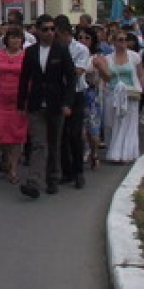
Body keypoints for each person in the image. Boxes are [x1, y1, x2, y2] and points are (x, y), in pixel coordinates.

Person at [17, 14, 76, 199]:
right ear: (37, 30)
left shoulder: (61, 50)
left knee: (54, 143)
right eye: (45, 29)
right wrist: (21, 102)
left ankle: (52, 178)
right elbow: (25, 78)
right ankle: (34, 182)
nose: (49, 33)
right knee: (38, 144)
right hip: (36, 103)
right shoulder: (31, 52)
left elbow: (71, 78)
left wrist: (67, 102)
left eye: (52, 29)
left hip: (56, 103)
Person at [0, 27, 28, 184]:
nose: (15, 40)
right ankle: (8, 157)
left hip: (19, 100)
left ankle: (13, 169)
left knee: (17, 135)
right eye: (12, 37)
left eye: (18, 38)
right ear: (7, 39)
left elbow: (29, 79)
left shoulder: (26, 56)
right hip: (0, 98)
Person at [102, 29, 144, 163]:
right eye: (120, 40)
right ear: (114, 42)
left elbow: (141, 75)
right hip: (114, 94)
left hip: (131, 94)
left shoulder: (134, 56)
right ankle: (115, 152)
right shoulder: (108, 59)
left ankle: (127, 152)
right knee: (115, 123)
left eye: (125, 40)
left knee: (129, 124)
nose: (123, 43)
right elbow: (105, 78)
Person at [56, 16, 89, 188]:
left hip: (76, 93)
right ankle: (66, 171)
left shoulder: (80, 49)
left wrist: (61, 69)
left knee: (75, 134)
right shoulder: (55, 48)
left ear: (67, 33)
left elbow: (78, 70)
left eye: (59, 34)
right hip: (59, 94)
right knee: (61, 135)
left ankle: (78, 171)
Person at [76, 29, 105, 170]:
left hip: (91, 97)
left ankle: (94, 153)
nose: (83, 40)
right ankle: (82, 152)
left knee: (92, 132)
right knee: (80, 131)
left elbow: (107, 76)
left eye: (87, 38)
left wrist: (99, 69)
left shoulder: (96, 58)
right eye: (80, 37)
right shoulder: (74, 54)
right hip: (77, 95)